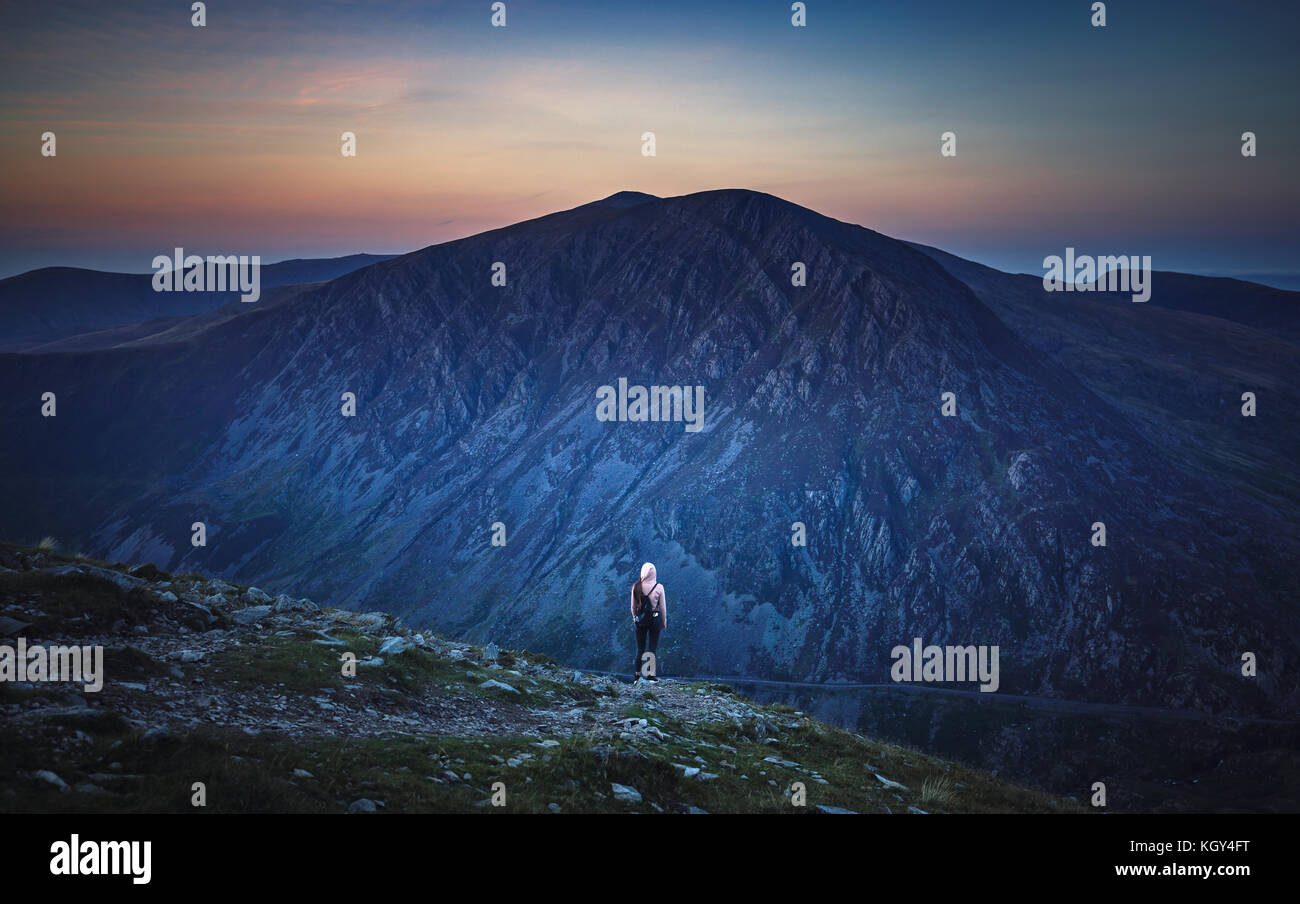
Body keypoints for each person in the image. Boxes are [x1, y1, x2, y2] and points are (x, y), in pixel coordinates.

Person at [630, 562, 667, 682]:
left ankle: (637, 676)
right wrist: (663, 621)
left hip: (640, 621)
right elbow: (662, 608)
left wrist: (635, 618)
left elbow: (633, 607)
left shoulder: (636, 586)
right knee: (652, 647)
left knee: (640, 648)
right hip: (654, 619)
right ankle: (649, 675)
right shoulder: (659, 587)